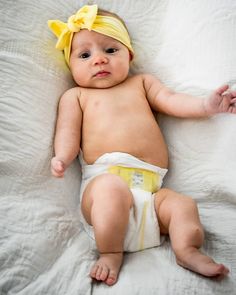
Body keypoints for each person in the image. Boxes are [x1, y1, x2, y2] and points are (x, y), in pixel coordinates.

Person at [48, 4, 234, 286]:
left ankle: (186, 250)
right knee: (111, 191)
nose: (99, 60)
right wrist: (61, 156)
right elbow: (66, 132)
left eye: (110, 50)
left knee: (182, 205)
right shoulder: (76, 96)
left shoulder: (142, 84)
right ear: (70, 65)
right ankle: (110, 252)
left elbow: (172, 101)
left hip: (151, 196)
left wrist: (206, 105)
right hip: (103, 188)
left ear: (129, 54)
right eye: (85, 55)